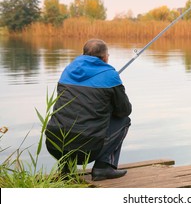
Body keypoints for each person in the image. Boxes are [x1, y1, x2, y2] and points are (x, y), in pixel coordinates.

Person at [45, 39, 132, 181]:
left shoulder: (68, 70)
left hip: (55, 145)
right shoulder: (110, 75)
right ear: (105, 57)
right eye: (108, 55)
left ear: (83, 54)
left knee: (70, 115)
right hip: (87, 150)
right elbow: (124, 110)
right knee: (123, 121)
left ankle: (66, 168)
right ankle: (103, 168)